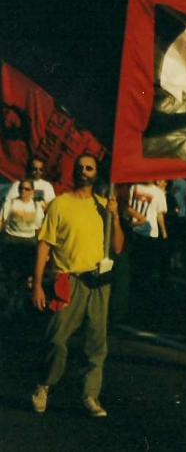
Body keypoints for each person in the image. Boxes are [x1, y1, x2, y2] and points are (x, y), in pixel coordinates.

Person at [30, 153, 124, 417]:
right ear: (74, 172)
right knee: (56, 340)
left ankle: (90, 396)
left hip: (98, 283)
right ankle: (44, 385)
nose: (84, 171)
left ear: (96, 173)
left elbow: (117, 246)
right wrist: (37, 285)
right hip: (67, 281)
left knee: (96, 345)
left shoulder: (104, 205)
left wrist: (115, 217)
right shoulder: (60, 204)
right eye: (80, 167)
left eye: (89, 167)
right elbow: (44, 246)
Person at [0, 177, 45, 318]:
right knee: (10, 276)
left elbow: (39, 229)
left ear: (32, 191)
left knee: (24, 277)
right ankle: (8, 306)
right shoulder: (11, 203)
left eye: (27, 189)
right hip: (11, 242)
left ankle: (19, 306)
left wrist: (41, 248)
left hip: (28, 244)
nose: (23, 191)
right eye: (21, 188)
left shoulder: (37, 207)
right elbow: (2, 221)